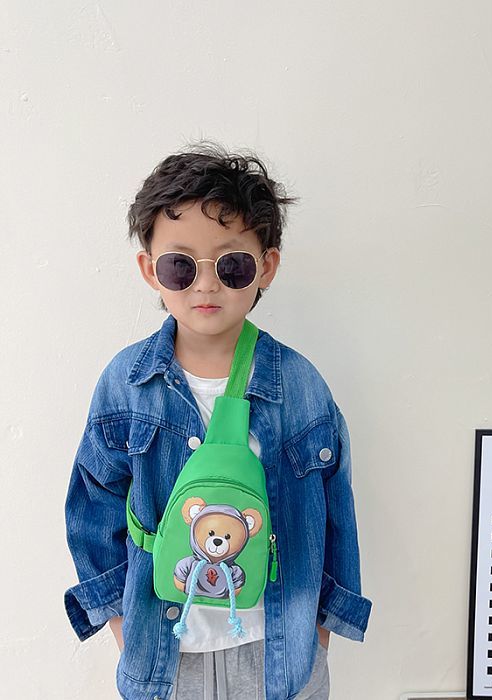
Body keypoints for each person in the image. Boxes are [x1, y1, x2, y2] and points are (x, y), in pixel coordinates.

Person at [63, 141, 372, 700]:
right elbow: (94, 506)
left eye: (231, 266)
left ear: (266, 266)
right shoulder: (125, 385)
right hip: (165, 653)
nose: (206, 284)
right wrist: (123, 628)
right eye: (180, 266)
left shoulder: (300, 386)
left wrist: (319, 637)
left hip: (278, 651)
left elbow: (335, 513)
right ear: (150, 270)